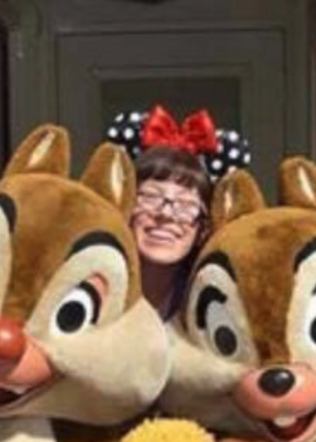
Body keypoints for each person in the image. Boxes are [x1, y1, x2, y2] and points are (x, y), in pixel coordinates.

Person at [105, 106, 252, 318]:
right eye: (151, 196)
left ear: (204, 225)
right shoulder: (97, 285)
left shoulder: (217, 299)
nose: (166, 214)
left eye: (186, 205)